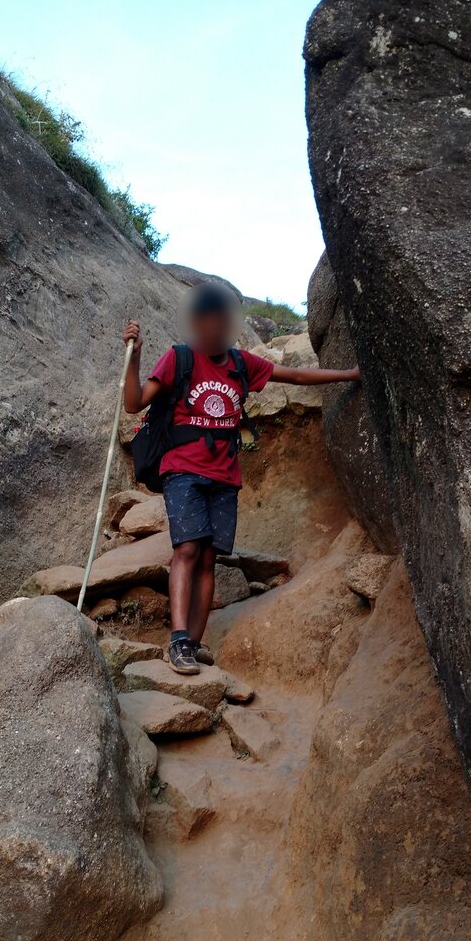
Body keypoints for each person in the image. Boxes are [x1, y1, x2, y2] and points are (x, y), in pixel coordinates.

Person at [122, 283, 361, 675]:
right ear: (197, 324)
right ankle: (178, 641)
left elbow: (297, 377)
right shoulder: (179, 359)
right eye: (207, 321)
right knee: (186, 550)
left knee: (208, 558)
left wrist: (350, 373)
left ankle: (194, 644)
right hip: (182, 469)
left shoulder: (241, 363)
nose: (214, 328)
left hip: (224, 474)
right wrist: (135, 357)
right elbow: (134, 403)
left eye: (221, 321)